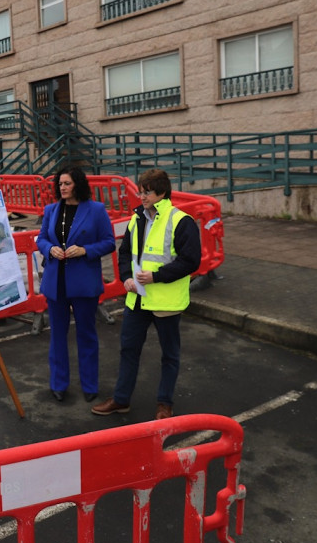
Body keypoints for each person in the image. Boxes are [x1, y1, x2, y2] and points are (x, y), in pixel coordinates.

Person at [92, 168, 201, 420]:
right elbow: (125, 253)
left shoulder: (180, 221)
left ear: (161, 192)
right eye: (140, 191)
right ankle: (121, 400)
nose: (141, 196)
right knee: (128, 350)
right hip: (137, 299)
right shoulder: (137, 218)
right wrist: (127, 278)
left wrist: (156, 276)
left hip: (166, 302)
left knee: (169, 355)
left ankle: (165, 403)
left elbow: (190, 261)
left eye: (147, 192)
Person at [36, 166, 115, 403]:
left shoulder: (96, 210)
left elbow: (109, 242)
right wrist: (50, 248)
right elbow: (41, 239)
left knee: (86, 335)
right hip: (55, 283)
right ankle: (58, 384)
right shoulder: (51, 210)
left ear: (78, 185)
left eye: (67, 183)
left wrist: (85, 250)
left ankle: (90, 385)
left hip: (83, 282)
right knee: (57, 336)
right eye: (60, 184)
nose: (62, 187)